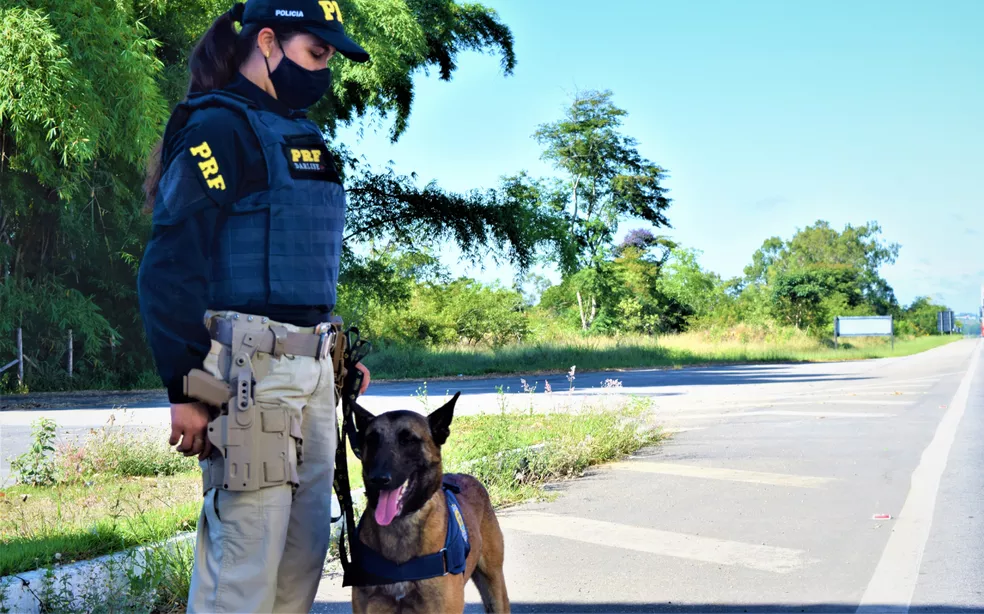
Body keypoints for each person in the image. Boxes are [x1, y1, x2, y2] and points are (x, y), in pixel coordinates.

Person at [137, 0, 369, 611]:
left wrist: (336, 361)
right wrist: (186, 390)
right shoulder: (219, 127)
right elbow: (169, 264)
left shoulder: (303, 137)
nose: (324, 72)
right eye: (316, 53)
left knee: (299, 571)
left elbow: (301, 270)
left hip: (314, 377)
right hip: (246, 380)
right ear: (268, 41)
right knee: (240, 574)